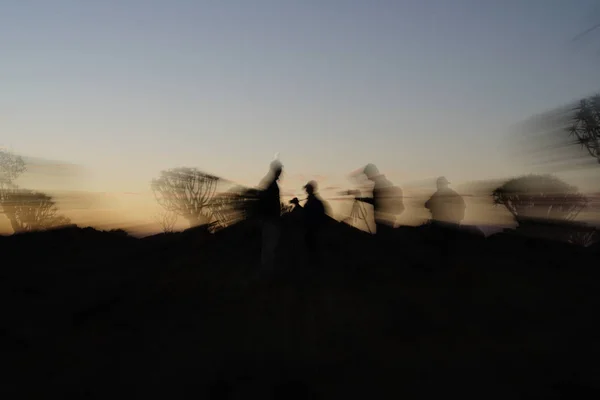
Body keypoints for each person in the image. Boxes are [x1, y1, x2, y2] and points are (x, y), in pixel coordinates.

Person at [354, 164, 404, 235]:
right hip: (386, 219)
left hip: (384, 220)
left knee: (384, 238)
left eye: (367, 175)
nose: (367, 178)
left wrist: (362, 199)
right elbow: (376, 200)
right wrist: (362, 199)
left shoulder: (380, 184)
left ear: (372, 173)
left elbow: (377, 201)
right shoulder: (383, 183)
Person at [257, 159, 283, 271]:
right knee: (269, 249)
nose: (281, 172)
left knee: (269, 249)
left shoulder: (269, 183)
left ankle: (267, 273)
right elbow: (266, 203)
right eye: (279, 170)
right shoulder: (271, 185)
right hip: (270, 221)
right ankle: (267, 274)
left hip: (270, 220)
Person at [302, 181, 328, 261]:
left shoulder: (313, 201)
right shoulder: (315, 201)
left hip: (313, 229)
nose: (305, 190)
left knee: (313, 248)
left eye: (307, 189)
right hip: (313, 229)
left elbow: (307, 214)